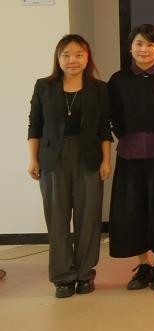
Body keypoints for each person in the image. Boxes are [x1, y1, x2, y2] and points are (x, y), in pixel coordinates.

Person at [27, 34, 112, 298]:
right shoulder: (44, 86)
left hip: (88, 157)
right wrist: (33, 159)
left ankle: (85, 273)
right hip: (53, 158)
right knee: (57, 216)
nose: (72, 60)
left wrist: (106, 160)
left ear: (87, 59)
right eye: (66, 55)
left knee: (89, 216)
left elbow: (104, 128)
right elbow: (35, 125)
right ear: (58, 58)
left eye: (78, 54)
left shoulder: (99, 89)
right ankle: (62, 276)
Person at [107, 24, 154, 291]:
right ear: (130, 47)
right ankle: (143, 265)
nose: (144, 49)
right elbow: (112, 116)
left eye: (150, 44)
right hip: (130, 155)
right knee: (133, 210)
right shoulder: (118, 80)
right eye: (139, 44)